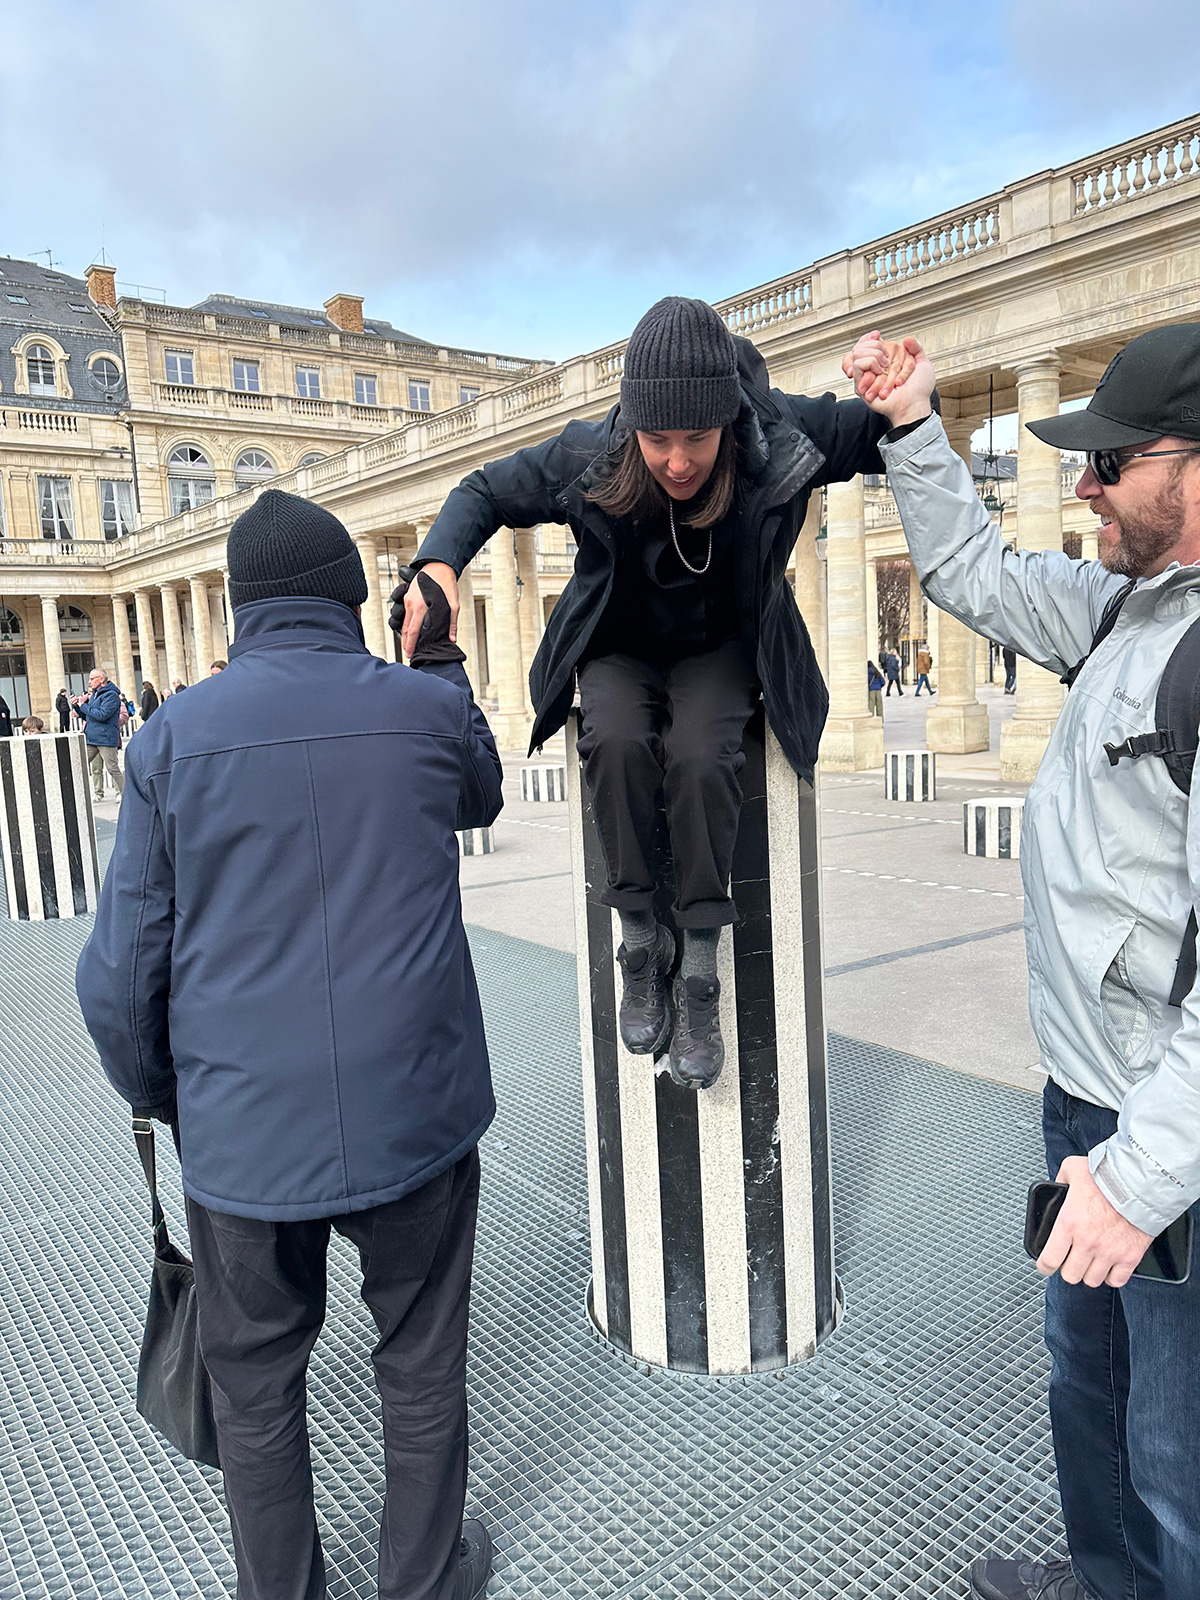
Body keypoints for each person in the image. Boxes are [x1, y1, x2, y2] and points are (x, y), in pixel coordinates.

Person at [76, 489, 502, 1600]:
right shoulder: (421, 708)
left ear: (242, 604)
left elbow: (122, 975)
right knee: (419, 1362)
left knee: (257, 1385)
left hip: (243, 1136)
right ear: (353, 600)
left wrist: (173, 1095)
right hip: (415, 1111)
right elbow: (482, 791)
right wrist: (440, 656)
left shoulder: (170, 739)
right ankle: (423, 1582)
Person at [845, 322, 1200, 1600]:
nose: (1085, 485)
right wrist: (914, 425)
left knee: (1176, 1455)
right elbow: (973, 567)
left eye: (1112, 460)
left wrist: (1142, 1174)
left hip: (1168, 1129)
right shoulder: (1124, 609)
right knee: (1087, 1388)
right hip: (1085, 1092)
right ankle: (1105, 1583)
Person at [399, 298, 908, 1088]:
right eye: (657, 438)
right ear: (631, 422)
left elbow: (892, 431)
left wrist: (902, 388)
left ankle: (700, 962)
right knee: (614, 738)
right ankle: (641, 938)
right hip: (620, 644)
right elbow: (483, 489)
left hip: (722, 644)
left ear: (728, 420)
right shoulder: (590, 455)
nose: (676, 461)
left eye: (696, 439)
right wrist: (438, 565)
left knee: (705, 753)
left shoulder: (779, 435)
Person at [71, 668, 125, 801]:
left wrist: (83, 705)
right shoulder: (95, 694)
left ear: (101, 680)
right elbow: (89, 716)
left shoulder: (111, 695)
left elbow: (101, 715)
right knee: (79, 763)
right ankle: (78, 794)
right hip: (92, 738)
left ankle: (127, 792)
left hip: (105, 738)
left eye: (92, 679)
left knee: (112, 768)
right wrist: (77, 706)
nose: (89, 682)